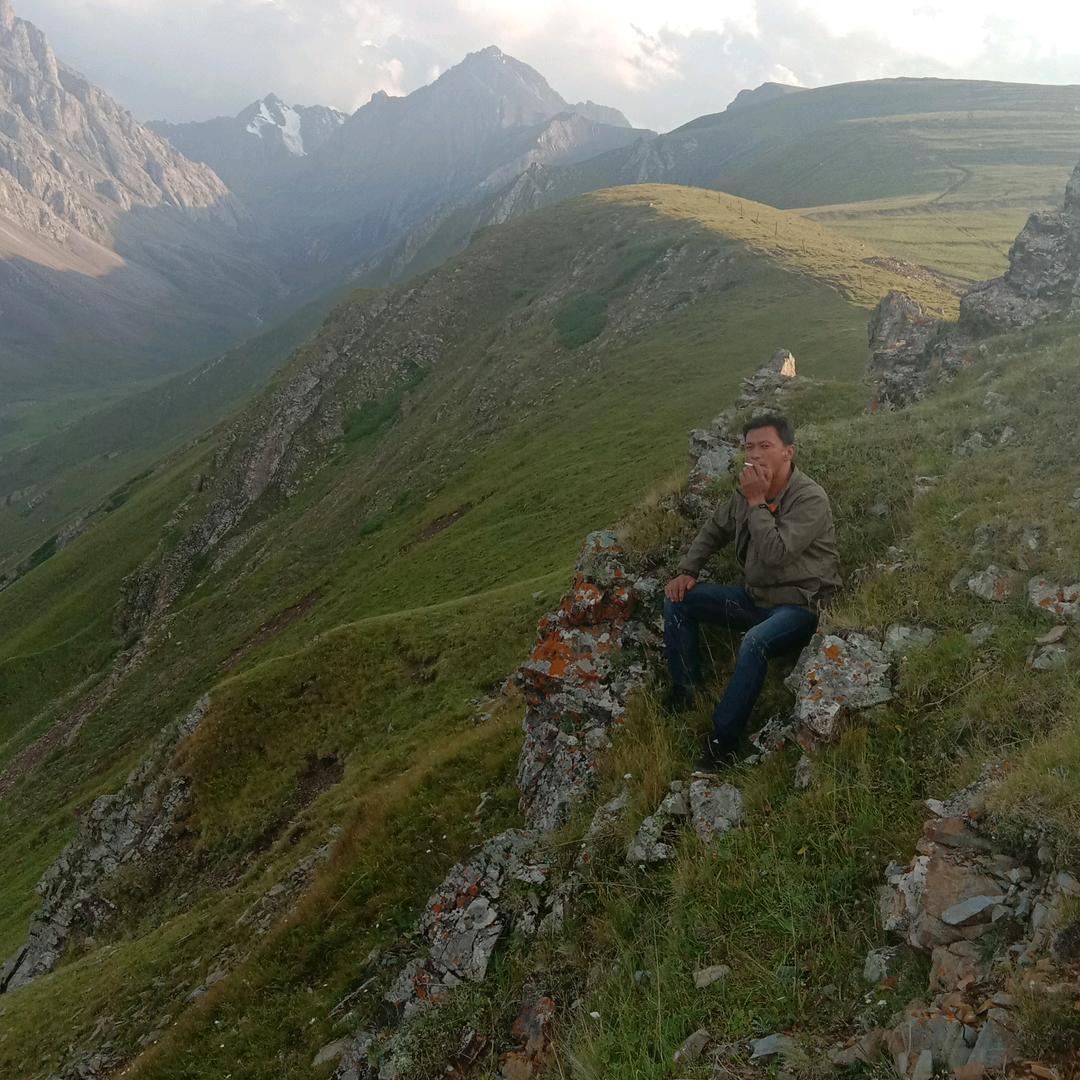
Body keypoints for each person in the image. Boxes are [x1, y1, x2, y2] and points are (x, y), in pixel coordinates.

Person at [663, 413, 841, 770]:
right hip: (756, 598)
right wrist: (687, 570)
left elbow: (776, 555)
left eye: (765, 446)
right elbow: (715, 529)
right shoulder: (746, 495)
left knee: (755, 642)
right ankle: (688, 692)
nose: (755, 455)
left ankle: (722, 742)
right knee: (678, 600)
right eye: (749, 447)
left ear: (788, 452)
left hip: (799, 605)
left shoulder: (810, 498)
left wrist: (758, 502)